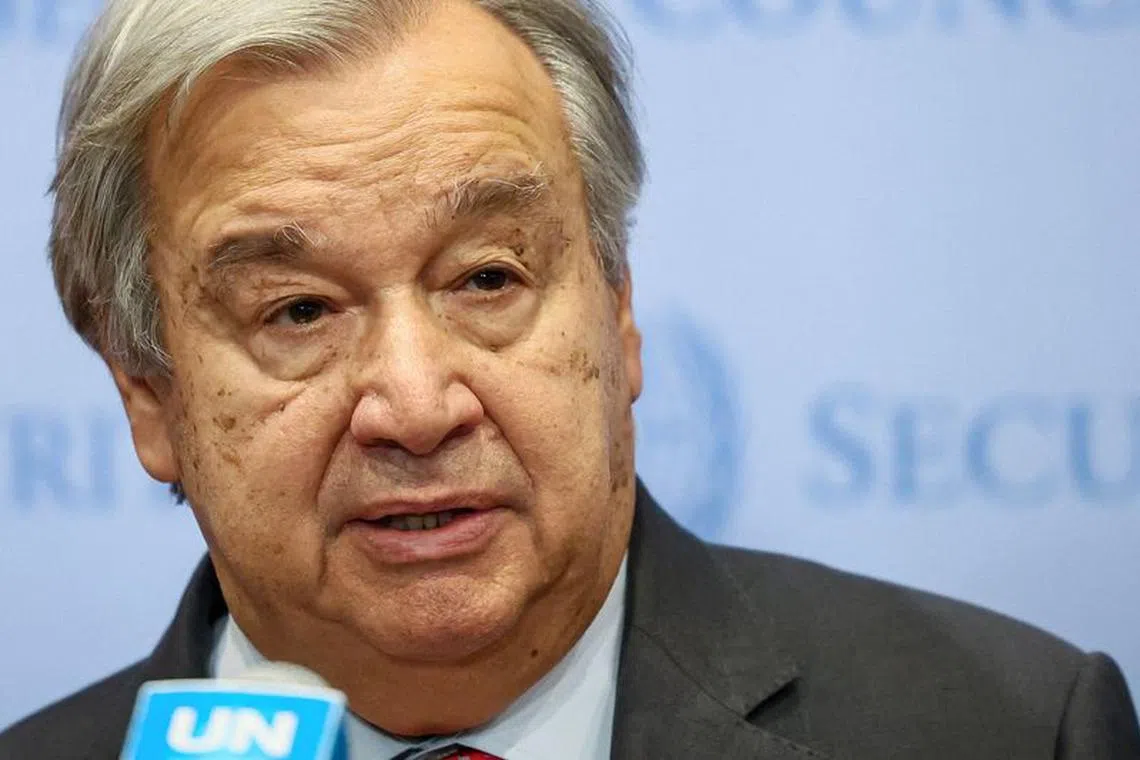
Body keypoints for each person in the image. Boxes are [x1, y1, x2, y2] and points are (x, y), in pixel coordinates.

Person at [1, 0, 1138, 757]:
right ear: (147, 394)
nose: (416, 403)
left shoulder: (1010, 727)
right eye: (298, 309)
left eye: (487, 278)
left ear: (620, 308)